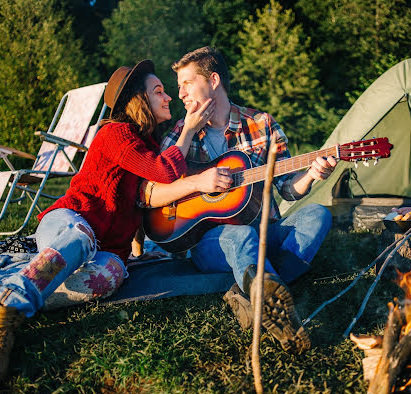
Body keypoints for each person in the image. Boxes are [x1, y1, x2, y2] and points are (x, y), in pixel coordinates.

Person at [0, 60, 213, 384]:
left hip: (106, 247)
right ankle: (7, 311)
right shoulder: (115, 133)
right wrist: (188, 130)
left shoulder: (145, 146)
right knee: (81, 237)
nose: (168, 96)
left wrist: (138, 252)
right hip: (70, 221)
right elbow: (164, 172)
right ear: (137, 99)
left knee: (110, 275)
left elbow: (141, 204)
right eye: (158, 91)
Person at [139, 47, 337, 353]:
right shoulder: (182, 132)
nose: (179, 94)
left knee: (317, 215)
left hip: (266, 231)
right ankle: (271, 293)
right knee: (239, 232)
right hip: (212, 243)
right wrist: (199, 178)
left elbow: (286, 189)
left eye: (186, 83)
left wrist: (311, 174)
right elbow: (151, 192)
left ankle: (251, 291)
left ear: (213, 80)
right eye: (178, 86)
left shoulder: (262, 124)